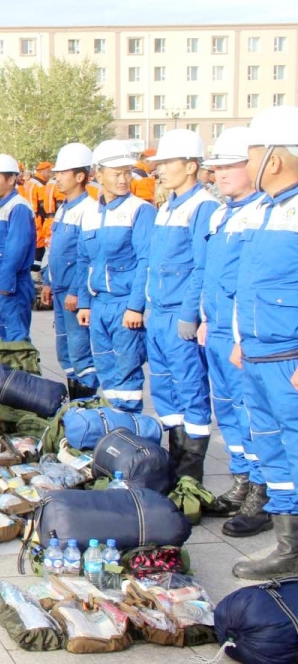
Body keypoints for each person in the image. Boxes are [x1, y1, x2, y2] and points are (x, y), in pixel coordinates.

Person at [228, 106, 298, 580]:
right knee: (272, 447)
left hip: (288, 357)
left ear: (274, 159)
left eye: (251, 157)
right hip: (257, 352)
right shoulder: (267, 211)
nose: (246, 167)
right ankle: (287, 545)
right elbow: (247, 286)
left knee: (295, 447)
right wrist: (238, 337)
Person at [197, 128, 268, 535]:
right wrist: (207, 317)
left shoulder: (260, 212)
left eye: (229, 166)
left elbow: (250, 282)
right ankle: (241, 481)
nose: (220, 173)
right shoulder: (224, 212)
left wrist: (242, 335)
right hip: (218, 327)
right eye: (217, 167)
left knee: (252, 412)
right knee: (228, 409)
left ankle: (263, 491)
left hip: (242, 332)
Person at [144, 129, 220, 482]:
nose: (160, 169)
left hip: (178, 315)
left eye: (168, 163)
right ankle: (174, 468)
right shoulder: (167, 207)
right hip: (158, 314)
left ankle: (190, 476)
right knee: (163, 389)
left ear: (191, 166)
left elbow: (201, 267)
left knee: (190, 390)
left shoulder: (203, 206)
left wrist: (190, 314)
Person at [76, 140, 156, 412]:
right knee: (105, 367)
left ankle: (128, 429)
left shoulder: (139, 210)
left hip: (124, 305)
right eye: (116, 173)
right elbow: (84, 261)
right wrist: (85, 303)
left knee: (127, 370)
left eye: (127, 173)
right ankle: (112, 424)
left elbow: (146, 260)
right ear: (98, 175)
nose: (124, 179)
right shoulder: (89, 213)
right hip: (99, 305)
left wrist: (135, 307)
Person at [41, 143, 100, 398]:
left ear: (79, 176)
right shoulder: (64, 208)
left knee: (80, 351)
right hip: (59, 291)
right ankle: (74, 404)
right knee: (65, 350)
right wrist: (47, 281)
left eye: (62, 173)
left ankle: (85, 405)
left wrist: (76, 292)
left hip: (73, 294)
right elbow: (53, 249)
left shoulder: (89, 210)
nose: (57, 178)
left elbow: (85, 258)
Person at [0, 155, 37, 343]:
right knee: (1, 337)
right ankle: (5, 372)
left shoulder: (18, 207)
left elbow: (16, 250)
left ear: (11, 179)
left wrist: (6, 283)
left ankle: (18, 372)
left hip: (12, 285)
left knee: (15, 338)